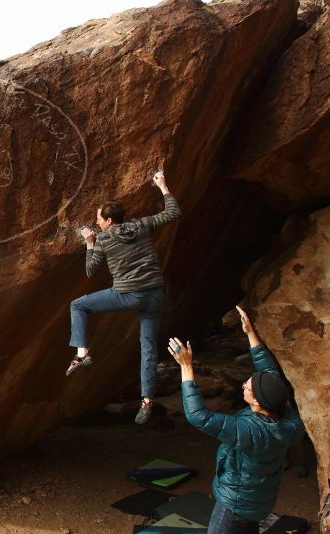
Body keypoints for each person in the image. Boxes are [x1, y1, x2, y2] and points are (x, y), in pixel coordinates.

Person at [168, 306, 305, 534]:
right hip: (259, 501)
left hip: (234, 505)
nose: (243, 385)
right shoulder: (285, 412)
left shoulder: (250, 432)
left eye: (248, 388)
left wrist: (186, 367)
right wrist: (250, 333)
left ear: (258, 403)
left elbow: (198, 416)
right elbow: (269, 371)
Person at [66, 169, 181, 424]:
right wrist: (162, 185)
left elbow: (90, 270)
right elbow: (172, 212)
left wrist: (89, 242)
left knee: (78, 305)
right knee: (148, 348)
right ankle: (147, 401)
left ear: (108, 220)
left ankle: (83, 354)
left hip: (127, 295)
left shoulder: (104, 240)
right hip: (154, 294)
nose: (97, 222)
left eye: (99, 218)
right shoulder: (141, 225)